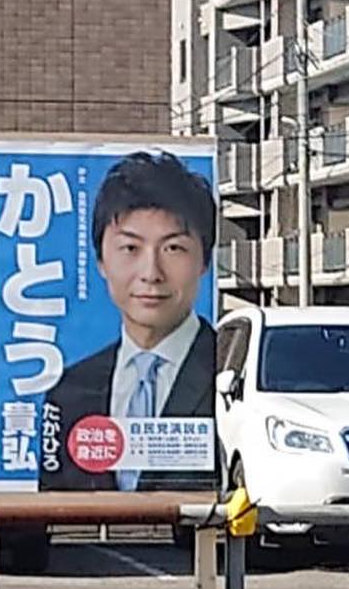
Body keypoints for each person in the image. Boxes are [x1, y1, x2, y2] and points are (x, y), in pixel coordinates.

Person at [40, 152, 218, 491]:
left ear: (204, 261)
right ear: (101, 261)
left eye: (173, 248)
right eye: (130, 249)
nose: (151, 273)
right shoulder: (70, 390)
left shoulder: (231, 378)